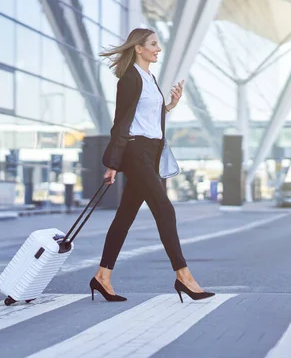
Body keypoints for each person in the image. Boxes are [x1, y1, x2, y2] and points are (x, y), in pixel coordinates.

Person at [89, 28, 216, 303]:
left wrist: (169, 105)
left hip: (150, 153)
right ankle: (183, 276)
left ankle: (102, 276)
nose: (158, 49)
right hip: (135, 152)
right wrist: (112, 163)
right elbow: (121, 123)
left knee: (124, 217)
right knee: (164, 209)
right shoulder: (129, 79)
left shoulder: (149, 77)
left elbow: (147, 116)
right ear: (139, 48)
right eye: (154, 44)